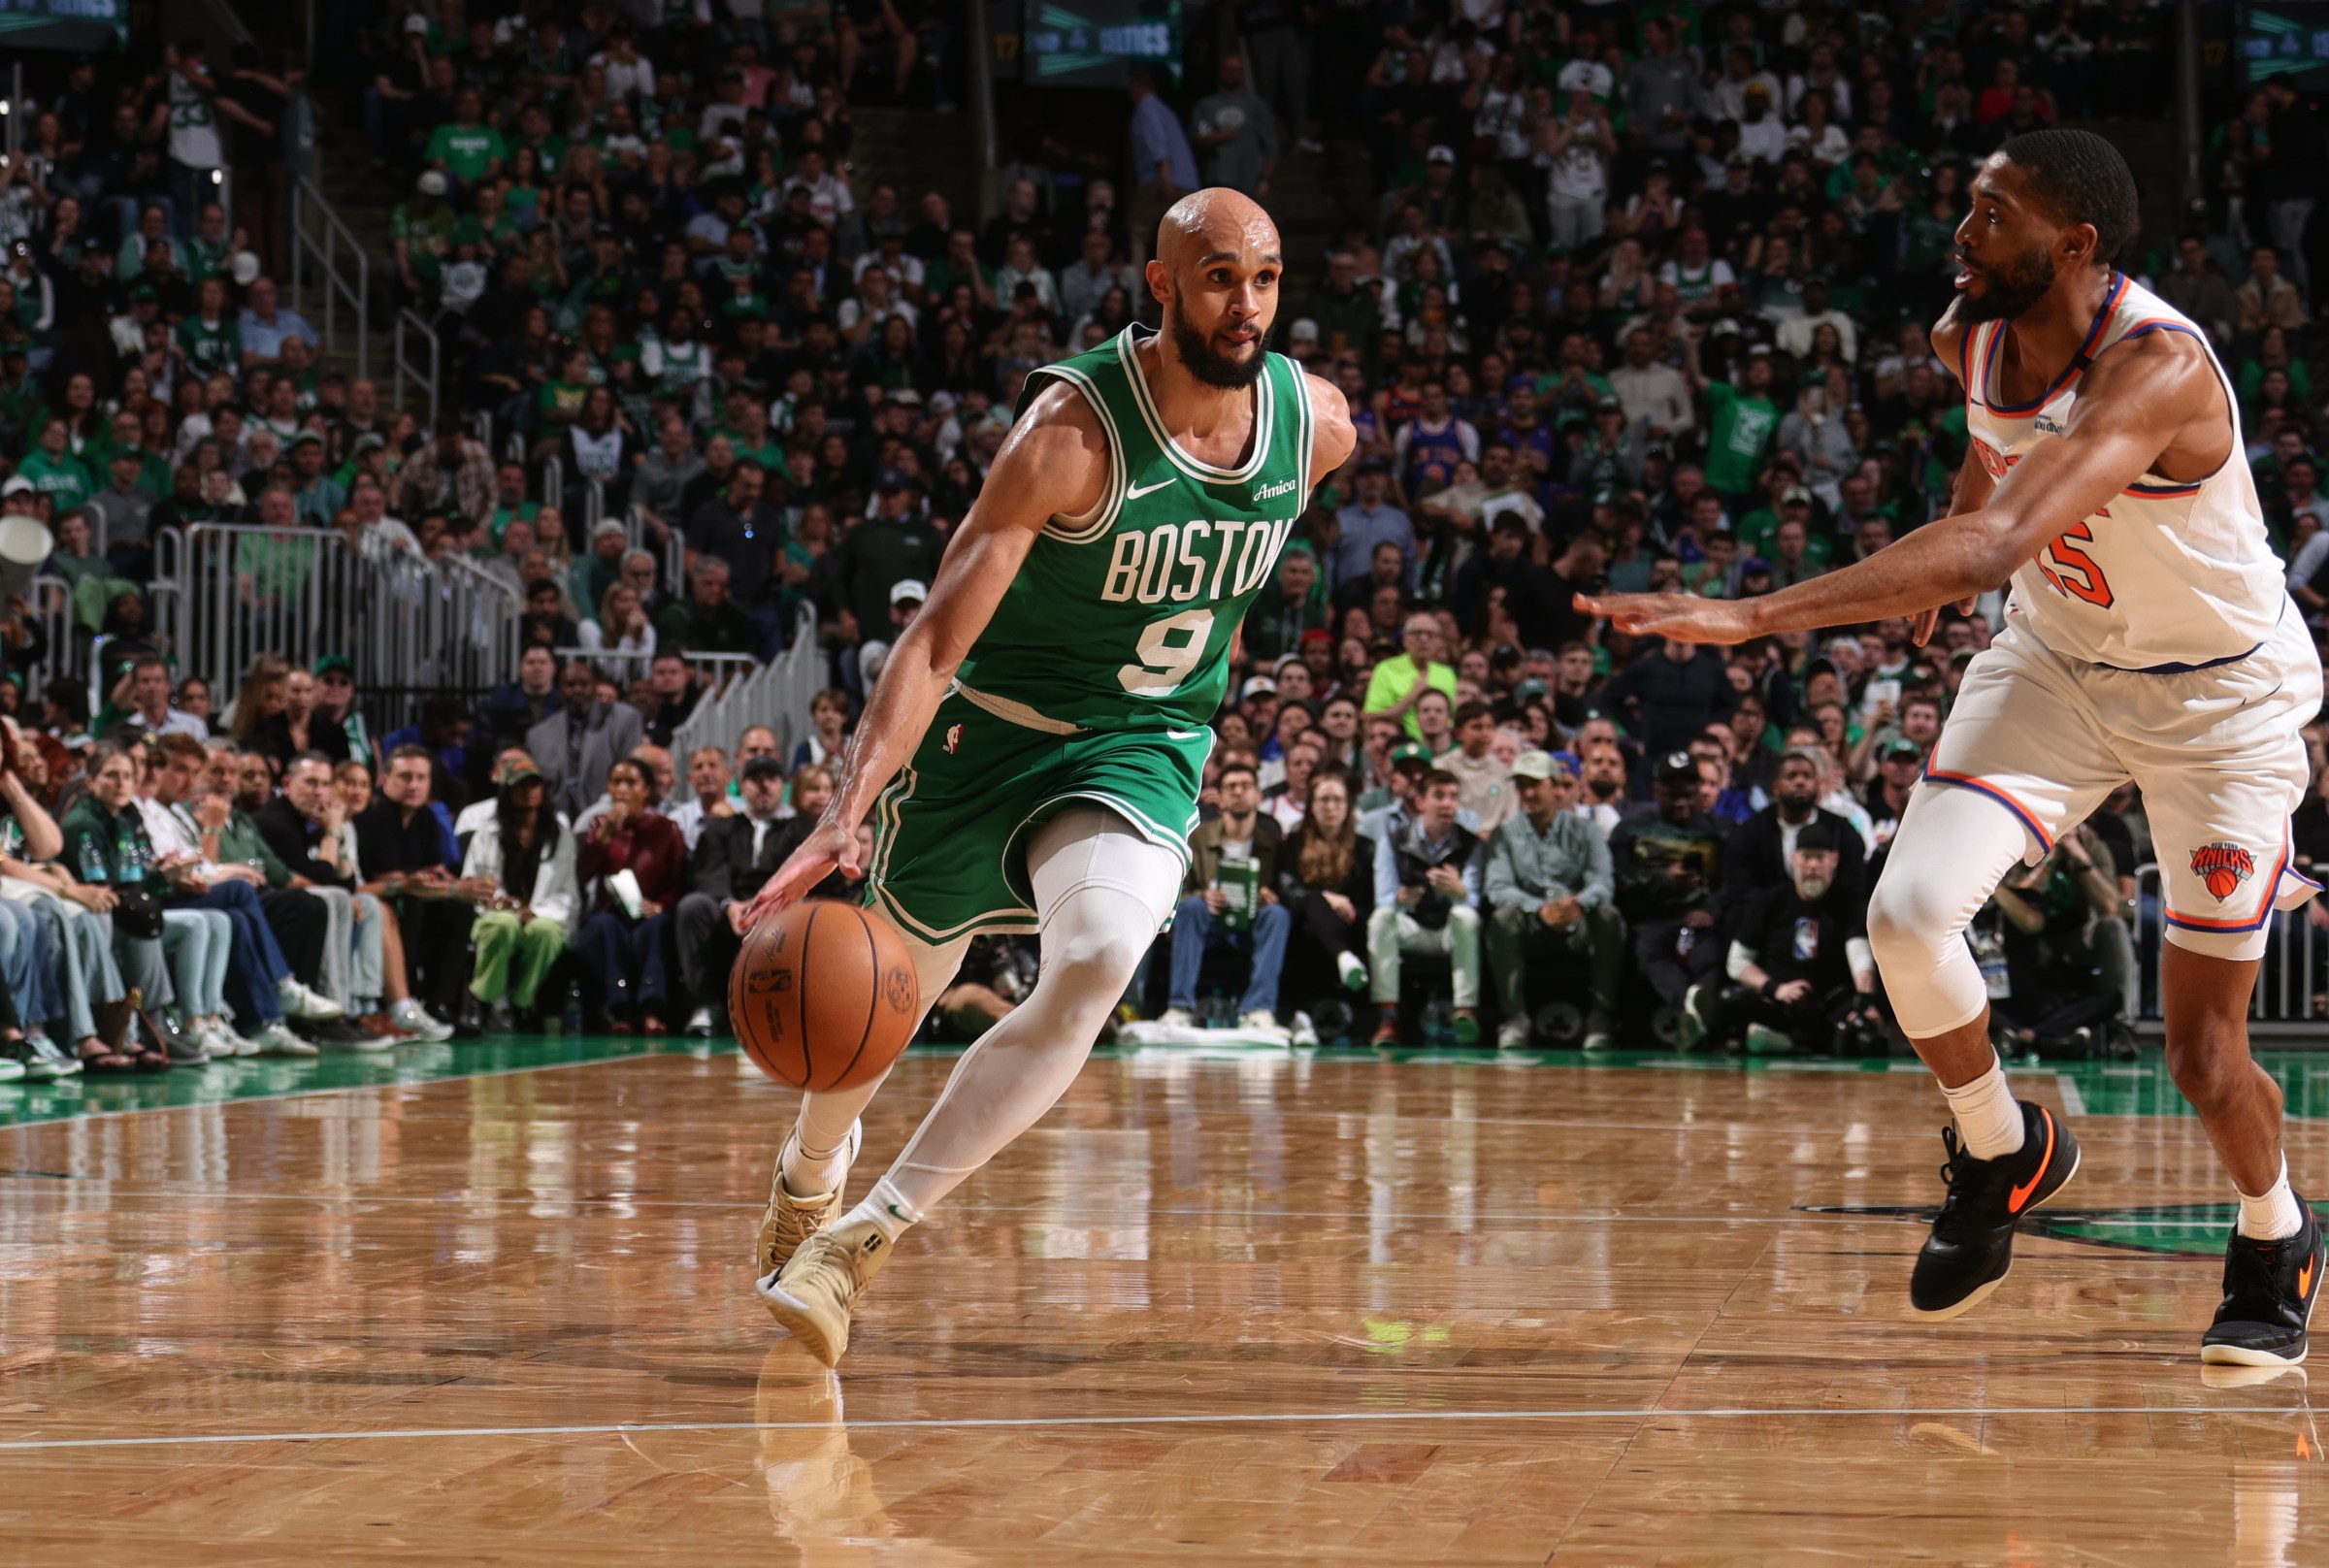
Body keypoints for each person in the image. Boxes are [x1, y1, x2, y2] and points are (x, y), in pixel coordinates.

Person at [1583, 131, 2324, 1363]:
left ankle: (2276, 1228)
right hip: (2057, 662)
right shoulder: (1966, 334)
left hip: (2216, 703)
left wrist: (1752, 613)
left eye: (1993, 215)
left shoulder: (2159, 368)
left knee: (2203, 1054)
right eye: (1971, 206)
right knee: (1907, 916)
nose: (1964, 234)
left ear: (2074, 246)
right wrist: (1961, 519)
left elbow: (1994, 544)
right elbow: (1992, 456)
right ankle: (2001, 1145)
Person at [739, 189, 1355, 1365]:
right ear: (1162, 285)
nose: (1247, 303)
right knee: (866, 1009)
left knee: (1099, 957)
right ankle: (810, 1174)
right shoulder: (1071, 433)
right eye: (1219, 277)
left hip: (1142, 741)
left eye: (1267, 277)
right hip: (990, 735)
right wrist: (843, 810)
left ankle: (859, 1241)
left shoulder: (1315, 428)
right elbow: (932, 640)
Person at [1484, 752, 1621, 1051]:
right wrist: (1539, 909)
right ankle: (1515, 1019)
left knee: (1608, 916)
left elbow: (1603, 883)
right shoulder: (1504, 834)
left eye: (1535, 785)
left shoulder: (1586, 830)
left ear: (1556, 787)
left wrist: (1578, 904)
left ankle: (1600, 1019)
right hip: (1532, 924)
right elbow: (1497, 887)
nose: (1528, 793)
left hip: (1577, 924)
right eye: (1522, 786)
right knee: (1503, 918)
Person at [1715, 817, 1884, 1055]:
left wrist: (1865, 1002)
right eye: (1806, 857)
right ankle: (1786, 1040)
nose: (1813, 865)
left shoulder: (1849, 904)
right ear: (1794, 859)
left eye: (1820, 858)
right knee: (1730, 1000)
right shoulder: (1769, 901)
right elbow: (1737, 962)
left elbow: (1860, 956)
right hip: (1778, 999)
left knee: (1864, 1035)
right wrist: (1776, 989)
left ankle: (1788, 1042)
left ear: (1834, 860)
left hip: (1829, 1001)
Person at [1159, 758, 1290, 1035]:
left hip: (1251, 926)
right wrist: (1202, 895)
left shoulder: (1273, 844)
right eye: (1231, 787)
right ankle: (1180, 1007)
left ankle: (1258, 1009)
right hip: (1208, 924)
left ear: (1258, 795)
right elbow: (1176, 892)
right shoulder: (1198, 837)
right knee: (1192, 906)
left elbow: (1286, 894)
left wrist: (1270, 898)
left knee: (1277, 915)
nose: (1238, 792)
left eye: (1245, 786)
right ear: (1220, 796)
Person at [1608, 750, 1729, 1046]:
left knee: (1709, 957)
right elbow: (1618, 880)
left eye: (1688, 794)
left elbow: (1732, 884)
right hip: (1653, 920)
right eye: (1673, 794)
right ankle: (1693, 1009)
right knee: (1648, 951)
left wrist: (1710, 910)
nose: (1681, 801)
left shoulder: (1719, 832)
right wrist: (1663, 879)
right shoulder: (1630, 830)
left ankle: (1694, 1017)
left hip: (1697, 922)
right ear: (1656, 791)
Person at [1365, 768, 1484, 1047]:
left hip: (1450, 930)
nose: (1448, 804)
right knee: (1381, 918)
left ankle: (1465, 1011)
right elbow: (1383, 898)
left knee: (1465, 915)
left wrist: (1459, 892)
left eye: (1453, 797)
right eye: (1439, 796)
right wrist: (1401, 900)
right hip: (1413, 927)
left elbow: (1475, 900)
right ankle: (1387, 1018)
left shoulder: (1471, 844)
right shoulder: (1393, 841)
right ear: (1421, 802)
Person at [674, 753, 791, 1035]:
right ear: (741, 786)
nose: (764, 785)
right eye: (755, 779)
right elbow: (709, 873)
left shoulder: (798, 829)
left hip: (784, 910)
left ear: (782, 786)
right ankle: (704, 1004)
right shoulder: (720, 829)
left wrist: (769, 903)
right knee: (693, 906)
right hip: (729, 909)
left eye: (771, 778)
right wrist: (729, 905)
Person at [571, 756, 685, 1032]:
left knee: (658, 926)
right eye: (616, 782)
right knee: (604, 926)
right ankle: (619, 1010)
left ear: (646, 789)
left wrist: (661, 905)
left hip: (651, 912)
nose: (621, 790)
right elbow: (581, 875)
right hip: (611, 913)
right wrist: (606, 834)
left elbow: (679, 881)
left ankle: (651, 1010)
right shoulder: (599, 825)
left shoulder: (666, 829)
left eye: (630, 783)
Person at [460, 760, 575, 1029]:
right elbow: (471, 881)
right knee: (503, 925)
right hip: (495, 912)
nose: (529, 791)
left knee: (546, 931)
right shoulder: (487, 833)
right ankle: (485, 999)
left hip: (543, 912)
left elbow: (567, 891)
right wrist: (495, 901)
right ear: (507, 791)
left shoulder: (560, 836)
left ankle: (523, 1003)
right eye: (520, 785)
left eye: (534, 784)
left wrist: (537, 911)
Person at [529, 658, 645, 820]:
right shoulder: (538, 735)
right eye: (570, 685)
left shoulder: (624, 720)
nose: (577, 690)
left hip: (610, 817)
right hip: (555, 821)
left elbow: (632, 777)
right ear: (559, 690)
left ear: (595, 687)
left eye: (584, 684)